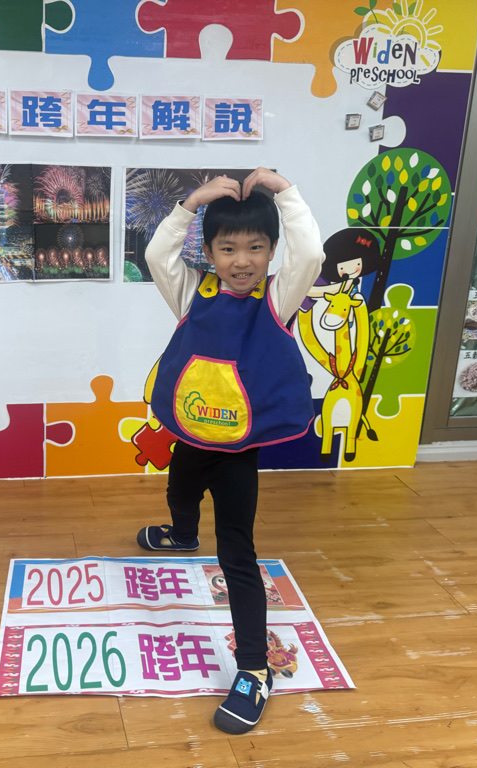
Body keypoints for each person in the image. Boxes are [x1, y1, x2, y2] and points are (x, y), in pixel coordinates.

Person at [137, 167, 323, 734]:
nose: (242, 261)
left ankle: (254, 669)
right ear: (211, 251)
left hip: (239, 452)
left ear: (272, 251)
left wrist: (286, 192)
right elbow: (156, 255)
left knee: (237, 553)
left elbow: (311, 254)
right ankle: (182, 534)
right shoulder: (191, 293)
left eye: (256, 247)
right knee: (179, 494)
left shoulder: (278, 299)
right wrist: (190, 203)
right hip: (190, 439)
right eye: (228, 248)